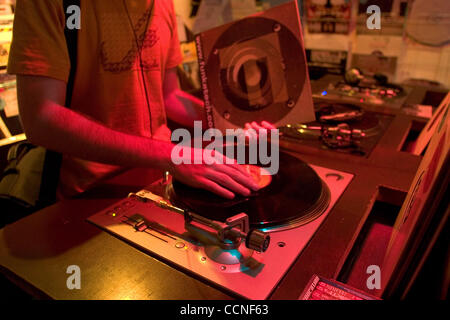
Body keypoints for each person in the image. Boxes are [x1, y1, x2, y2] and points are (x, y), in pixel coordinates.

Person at [7, 0, 274, 200]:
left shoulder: (161, 3)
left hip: (160, 180)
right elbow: (42, 118)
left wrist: (231, 123)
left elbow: (169, 96)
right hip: (87, 194)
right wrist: (172, 154)